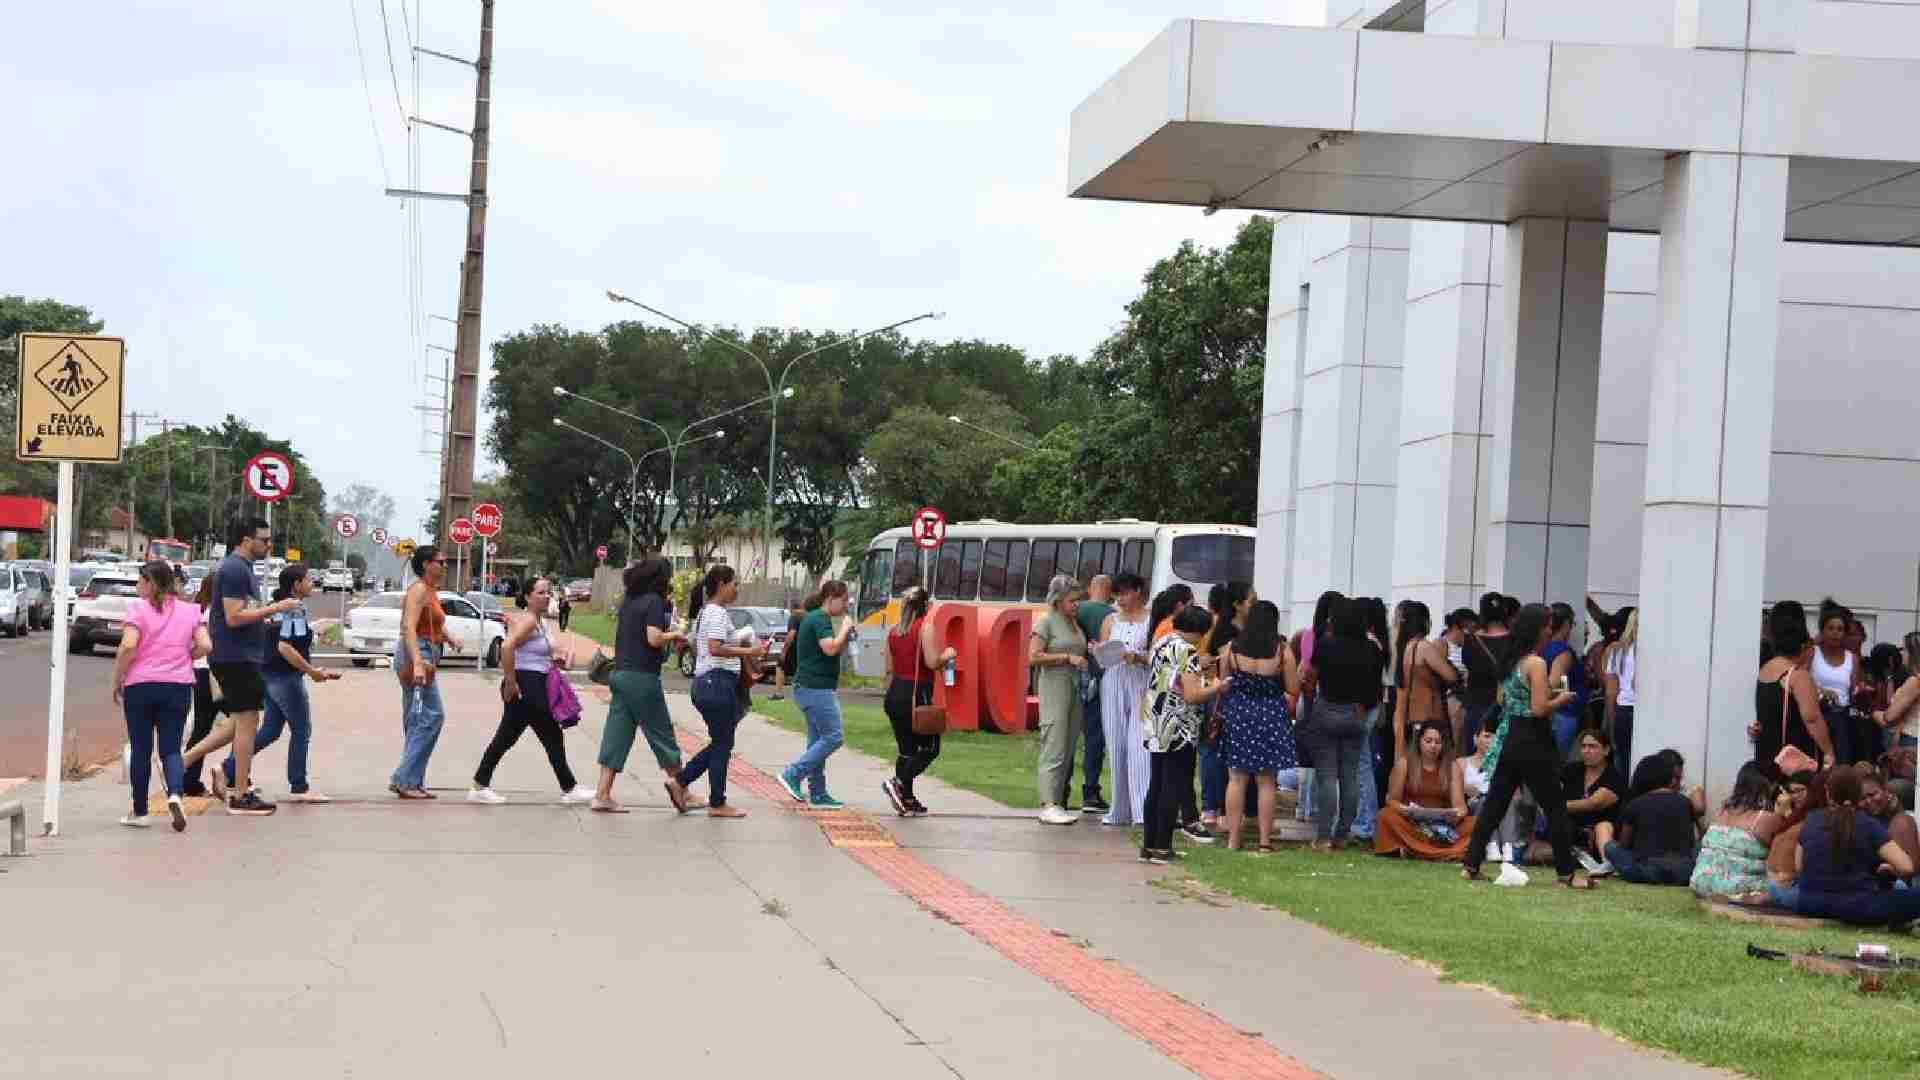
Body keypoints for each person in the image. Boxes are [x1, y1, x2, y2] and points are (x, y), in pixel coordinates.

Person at [1462, 603, 1590, 888]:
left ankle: (1471, 864)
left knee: (1495, 803)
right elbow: (1540, 707)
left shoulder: (1510, 661)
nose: (1550, 629)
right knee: (1555, 806)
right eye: (1547, 624)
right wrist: (1560, 700)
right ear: (1538, 629)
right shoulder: (1536, 663)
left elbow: (1501, 701)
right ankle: (1565, 874)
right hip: (1534, 739)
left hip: (1510, 737)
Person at [183, 517, 300, 816]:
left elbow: (242, 613)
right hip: (234, 657)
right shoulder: (235, 568)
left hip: (241, 655)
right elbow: (234, 616)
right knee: (248, 723)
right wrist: (276, 607)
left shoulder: (242, 568)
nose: (268, 545)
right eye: (265, 540)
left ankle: (184, 763)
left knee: (240, 721)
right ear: (247, 540)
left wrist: (266, 618)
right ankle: (240, 794)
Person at [217, 564, 340, 803]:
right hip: (285, 678)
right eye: (308, 579)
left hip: (268, 675)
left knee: (271, 731)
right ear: (296, 585)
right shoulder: (294, 608)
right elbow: (285, 646)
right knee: (302, 729)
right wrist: (312, 671)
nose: (312, 583)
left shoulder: (278, 608)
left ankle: (227, 769)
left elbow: (284, 639)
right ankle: (299, 786)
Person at [469, 577, 595, 806]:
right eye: (540, 592)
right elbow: (507, 647)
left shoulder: (539, 622)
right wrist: (510, 681)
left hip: (534, 683)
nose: (546, 596)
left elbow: (537, 653)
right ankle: (570, 787)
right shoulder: (527, 621)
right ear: (527, 597)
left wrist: (558, 659)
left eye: (548, 592)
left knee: (509, 737)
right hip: (526, 686)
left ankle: (480, 784)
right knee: (550, 735)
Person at [110, 561, 208, 831]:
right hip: (177, 686)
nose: (137, 586)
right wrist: (187, 656)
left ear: (151, 582)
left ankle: (140, 812)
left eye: (140, 581)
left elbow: (128, 645)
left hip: (140, 686)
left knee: (141, 749)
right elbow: (206, 644)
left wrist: (117, 678)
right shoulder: (190, 611)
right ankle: (175, 793)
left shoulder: (137, 609)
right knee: (171, 749)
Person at [596, 559, 687, 813]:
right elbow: (654, 638)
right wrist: (676, 634)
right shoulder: (654, 602)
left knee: (618, 734)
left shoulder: (630, 602)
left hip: (621, 674)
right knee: (662, 733)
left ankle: (602, 794)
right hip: (642, 677)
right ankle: (683, 789)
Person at [1139, 606, 1225, 864]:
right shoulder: (1187, 650)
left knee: (1156, 784)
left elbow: (1169, 676)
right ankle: (1163, 847)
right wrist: (1216, 687)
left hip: (1156, 720)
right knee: (1173, 786)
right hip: (1179, 725)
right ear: (1199, 631)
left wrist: (1198, 667)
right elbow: (1191, 695)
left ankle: (1149, 845)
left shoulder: (1161, 641)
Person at [676, 565, 763, 819]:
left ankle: (681, 782)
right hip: (716, 684)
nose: (737, 589)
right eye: (735, 584)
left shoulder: (708, 613)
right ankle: (716, 802)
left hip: (710, 684)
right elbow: (714, 648)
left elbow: (701, 644)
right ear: (722, 584)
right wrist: (749, 652)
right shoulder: (715, 613)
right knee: (723, 743)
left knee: (721, 743)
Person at [1790, 768, 1920, 925]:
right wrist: (1887, 868)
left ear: (1828, 793)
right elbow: (1907, 867)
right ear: (1858, 795)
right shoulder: (1867, 824)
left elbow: (1798, 867)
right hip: (1858, 907)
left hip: (1809, 904)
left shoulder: (1811, 820)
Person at [1302, 598, 1384, 850]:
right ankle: (1342, 835)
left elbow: (1309, 679)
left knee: (1327, 776)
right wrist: (1361, 707)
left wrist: (1310, 701)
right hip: (1356, 714)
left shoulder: (1325, 645)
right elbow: (1375, 688)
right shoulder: (1372, 650)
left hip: (1327, 710)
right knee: (1350, 776)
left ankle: (1323, 837)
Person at [1219, 600, 1296, 852]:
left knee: (1236, 779)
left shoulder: (1231, 648)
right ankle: (1264, 841)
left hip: (1238, 714)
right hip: (1271, 716)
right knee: (1266, 782)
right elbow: (1293, 689)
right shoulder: (1282, 651)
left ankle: (1233, 839)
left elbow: (1224, 683)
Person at [390, 544, 460, 800]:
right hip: (415, 654)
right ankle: (404, 779)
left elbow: (430, 623)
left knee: (416, 719)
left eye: (443, 561)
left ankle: (413, 781)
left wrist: (449, 638)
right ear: (425, 565)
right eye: (439, 561)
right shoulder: (419, 590)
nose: (443, 565)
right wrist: (418, 661)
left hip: (424, 652)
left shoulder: (430, 591)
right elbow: (408, 627)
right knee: (432, 717)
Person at [778, 580, 854, 807]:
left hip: (809, 688)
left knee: (817, 742)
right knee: (833, 736)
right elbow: (829, 648)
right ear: (831, 596)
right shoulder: (820, 618)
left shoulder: (814, 618)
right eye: (844, 600)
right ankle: (793, 773)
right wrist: (845, 628)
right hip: (816, 689)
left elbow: (831, 650)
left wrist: (845, 636)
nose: (845, 606)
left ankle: (818, 791)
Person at [881, 586, 955, 817]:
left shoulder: (893, 632)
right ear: (926, 606)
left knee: (907, 750)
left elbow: (889, 669)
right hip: (917, 691)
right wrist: (949, 654)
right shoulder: (925, 627)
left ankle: (907, 799)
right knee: (930, 747)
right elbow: (932, 662)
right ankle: (899, 783)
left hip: (895, 693)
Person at [1030, 575, 1088, 826]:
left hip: (1074, 686)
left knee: (1068, 743)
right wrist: (1066, 657)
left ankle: (1059, 799)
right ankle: (1048, 803)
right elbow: (1033, 657)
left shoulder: (1074, 623)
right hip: (1055, 685)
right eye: (1072, 600)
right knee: (1053, 741)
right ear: (1057, 600)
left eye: (1078, 600)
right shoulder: (1046, 622)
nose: (1076, 605)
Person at [1197, 582, 1254, 832]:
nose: (1255, 603)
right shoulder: (1225, 631)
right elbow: (1222, 669)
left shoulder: (1247, 628)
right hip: (1222, 696)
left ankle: (1233, 809)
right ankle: (1212, 807)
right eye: (1251, 599)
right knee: (1214, 750)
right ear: (1238, 605)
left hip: (1238, 696)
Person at [1098, 572, 1153, 827]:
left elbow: (1156, 655)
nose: (1121, 599)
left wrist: (1138, 657)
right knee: (1116, 744)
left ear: (1138, 591)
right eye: (1118, 594)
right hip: (1114, 681)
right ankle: (1119, 809)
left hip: (1141, 682)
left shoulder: (1151, 619)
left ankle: (1142, 811)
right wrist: (1099, 651)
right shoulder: (1110, 620)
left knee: (1140, 746)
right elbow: (1103, 652)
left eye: (1126, 593)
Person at [1376, 721, 1474, 860]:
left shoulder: (1452, 767)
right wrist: (1406, 810)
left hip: (1443, 827)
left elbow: (1461, 806)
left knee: (1474, 823)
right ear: (1419, 742)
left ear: (1443, 745)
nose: (1433, 746)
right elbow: (1391, 800)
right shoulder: (1404, 764)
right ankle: (1445, 852)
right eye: (1428, 741)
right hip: (1412, 824)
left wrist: (1455, 815)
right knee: (1385, 815)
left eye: (1438, 742)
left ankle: (1414, 851)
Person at [1692, 763, 1787, 901]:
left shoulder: (1722, 811)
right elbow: (1785, 856)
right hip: (1735, 891)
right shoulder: (1767, 819)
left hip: (1700, 883)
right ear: (1770, 786)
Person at [1752, 609, 1834, 771]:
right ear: (1803, 646)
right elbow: (1812, 718)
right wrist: (1829, 752)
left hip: (1766, 754)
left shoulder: (1763, 670)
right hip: (1795, 760)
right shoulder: (1797, 676)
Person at [1602, 754, 1699, 885]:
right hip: (1684, 873)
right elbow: (1691, 842)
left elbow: (1624, 844)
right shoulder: (1685, 802)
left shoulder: (1635, 804)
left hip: (1648, 872)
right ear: (1670, 778)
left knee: (1610, 847)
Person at [1550, 729, 1624, 874]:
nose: (1586, 751)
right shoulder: (1571, 770)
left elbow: (1593, 803)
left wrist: (1555, 806)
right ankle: (1576, 856)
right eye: (1583, 746)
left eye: (1592, 746)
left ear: (1606, 750)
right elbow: (1550, 791)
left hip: (1601, 833)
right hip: (1573, 829)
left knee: (1603, 826)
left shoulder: (1613, 776)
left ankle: (1607, 864)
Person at [1392, 601, 1457, 761]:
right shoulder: (1424, 647)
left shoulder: (1406, 647)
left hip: (1412, 717)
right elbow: (1451, 676)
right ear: (1423, 621)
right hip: (1431, 716)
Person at [180, 576, 224, 798]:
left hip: (201, 671)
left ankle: (189, 780)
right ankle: (233, 773)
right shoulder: (214, 613)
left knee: (203, 727)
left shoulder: (202, 610)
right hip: (212, 673)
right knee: (241, 722)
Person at [1459, 724, 1528, 863]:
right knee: (1490, 800)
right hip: (1475, 804)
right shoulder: (1462, 762)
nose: (1491, 741)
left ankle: (1506, 846)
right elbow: (1460, 789)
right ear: (1475, 738)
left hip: (1501, 804)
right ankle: (1492, 843)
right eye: (1486, 736)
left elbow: (1517, 795)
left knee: (1503, 800)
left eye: (1496, 737)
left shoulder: (1506, 764)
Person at [1459, 592, 1514, 764]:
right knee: (1503, 761)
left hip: (1477, 705)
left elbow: (1468, 666)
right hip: (1505, 707)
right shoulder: (1514, 640)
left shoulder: (1471, 639)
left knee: (1476, 757)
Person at [1811, 599, 1860, 764]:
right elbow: (1798, 677)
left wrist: (1861, 692)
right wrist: (1821, 691)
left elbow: (1854, 692)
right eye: (1830, 628)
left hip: (1842, 717)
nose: (1835, 633)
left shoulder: (1852, 658)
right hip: (1816, 714)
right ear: (1822, 631)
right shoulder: (1812, 652)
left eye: (1840, 629)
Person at [1542, 603, 1588, 761]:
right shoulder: (1562, 651)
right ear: (1566, 624)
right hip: (1563, 714)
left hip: (1553, 714)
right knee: (1557, 765)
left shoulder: (1542, 647)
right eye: (1572, 623)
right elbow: (1556, 683)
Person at [1860, 765, 1920, 877]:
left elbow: (1913, 870)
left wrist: (1893, 870)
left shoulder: (1902, 822)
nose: (1868, 801)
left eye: (1873, 794)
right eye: (1863, 798)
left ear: (1886, 791)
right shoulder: (1862, 821)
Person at [1871, 632, 1920, 756]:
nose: (1901, 654)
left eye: (1904, 650)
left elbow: (1889, 717)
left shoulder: (1915, 682)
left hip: (1910, 741)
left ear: (1912, 653)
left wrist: (1872, 711)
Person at [1603, 608, 1638, 780]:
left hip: (1623, 710)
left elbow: (1611, 692)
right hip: (1641, 710)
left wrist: (1611, 721)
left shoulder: (1617, 650)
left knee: (1623, 760)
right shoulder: (1650, 652)